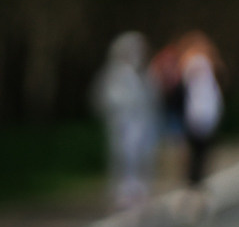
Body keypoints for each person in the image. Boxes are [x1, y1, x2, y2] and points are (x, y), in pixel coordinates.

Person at [153, 30, 226, 188]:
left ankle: (194, 182)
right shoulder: (195, 62)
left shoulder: (195, 63)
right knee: (197, 151)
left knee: (197, 151)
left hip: (200, 112)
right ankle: (194, 183)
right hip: (197, 112)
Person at [93, 31, 157, 210]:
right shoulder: (115, 74)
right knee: (123, 156)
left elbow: (150, 98)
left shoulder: (141, 74)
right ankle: (123, 191)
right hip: (123, 123)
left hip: (140, 123)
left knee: (140, 155)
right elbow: (108, 99)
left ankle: (138, 189)